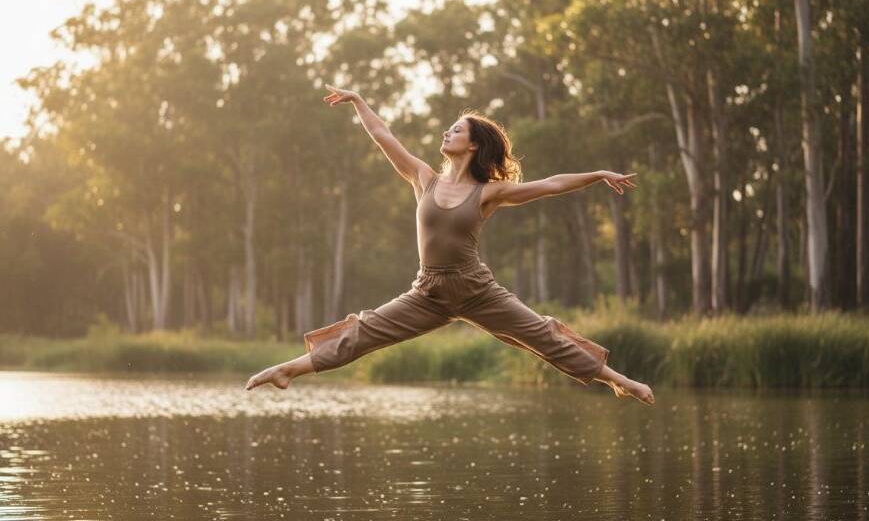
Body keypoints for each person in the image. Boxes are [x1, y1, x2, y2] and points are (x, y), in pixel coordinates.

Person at [245, 84, 655, 406]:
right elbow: (383, 137)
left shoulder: (489, 192)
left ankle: (621, 383)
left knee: (542, 336)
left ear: (473, 144)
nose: (447, 131)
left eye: (456, 130)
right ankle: (287, 371)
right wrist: (358, 102)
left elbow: (548, 185)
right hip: (428, 292)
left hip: (476, 290)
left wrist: (597, 173)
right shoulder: (424, 178)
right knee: (364, 332)